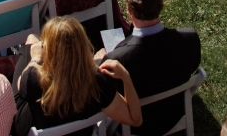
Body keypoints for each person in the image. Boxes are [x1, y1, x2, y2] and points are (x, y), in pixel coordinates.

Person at [107, 0, 201, 136]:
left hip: (140, 124)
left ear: (129, 10)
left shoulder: (118, 59)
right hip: (174, 114)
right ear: (161, 3)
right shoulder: (189, 40)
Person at [12, 16, 142, 135]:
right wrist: (125, 77)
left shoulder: (33, 78)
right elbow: (135, 120)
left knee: (31, 39)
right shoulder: (98, 81)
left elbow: (21, 84)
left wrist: (35, 58)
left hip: (31, 120)